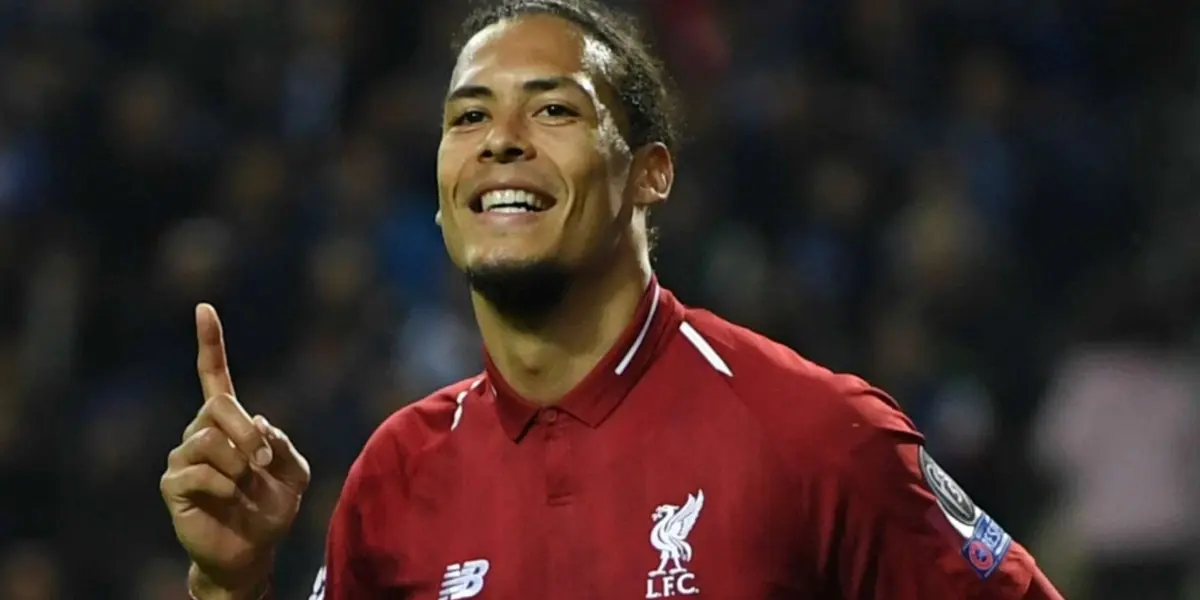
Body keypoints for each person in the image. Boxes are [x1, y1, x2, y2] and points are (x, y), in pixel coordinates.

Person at [160, 0, 1066, 598]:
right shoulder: (394, 480)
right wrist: (229, 587)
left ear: (649, 174)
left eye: (553, 109)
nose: (500, 141)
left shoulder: (818, 437)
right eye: (468, 116)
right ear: (442, 195)